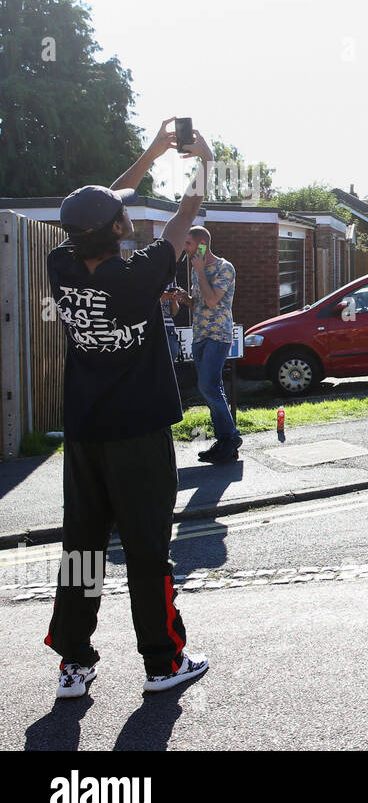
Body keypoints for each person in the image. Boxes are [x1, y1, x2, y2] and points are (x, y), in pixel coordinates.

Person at [44, 116, 211, 699]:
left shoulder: (61, 264)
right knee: (146, 549)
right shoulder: (138, 276)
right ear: (116, 228)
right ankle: (163, 663)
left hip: (85, 433)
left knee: (83, 548)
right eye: (122, 216)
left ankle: (73, 664)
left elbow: (92, 211)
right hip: (136, 435)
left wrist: (153, 151)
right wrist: (201, 164)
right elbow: (182, 220)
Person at [172, 226, 240, 463]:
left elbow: (212, 301)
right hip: (199, 334)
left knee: (208, 386)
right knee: (211, 388)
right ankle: (224, 442)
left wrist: (200, 270)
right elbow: (199, 302)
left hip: (218, 335)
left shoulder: (224, 267)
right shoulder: (195, 270)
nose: (185, 248)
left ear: (202, 244)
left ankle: (230, 437)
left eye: (188, 244)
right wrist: (186, 299)